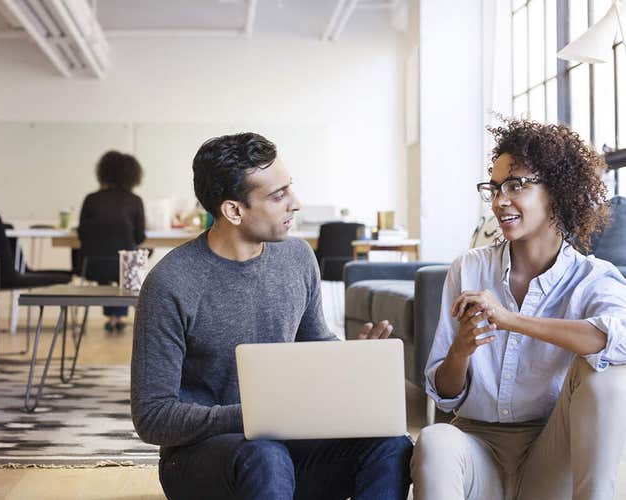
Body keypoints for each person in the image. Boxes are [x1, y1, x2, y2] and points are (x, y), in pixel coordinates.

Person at [131, 132, 413, 500]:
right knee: (265, 455)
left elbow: (314, 347)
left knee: (393, 445)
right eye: (278, 196)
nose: (295, 204)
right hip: (202, 459)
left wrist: (350, 361)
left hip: (285, 447)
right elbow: (153, 417)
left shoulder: (297, 258)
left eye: (289, 189)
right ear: (234, 210)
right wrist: (255, 415)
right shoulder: (170, 283)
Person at [410, 119, 626, 500]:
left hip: (551, 455)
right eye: (494, 189)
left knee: (606, 372)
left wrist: (510, 319)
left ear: (557, 193)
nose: (499, 201)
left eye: (515, 186)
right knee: (435, 439)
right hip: (478, 451)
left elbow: (617, 341)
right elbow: (443, 393)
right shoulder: (470, 268)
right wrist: (460, 351)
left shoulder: (594, 278)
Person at [78, 150, 146, 333]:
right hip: (127, 268)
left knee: (108, 262)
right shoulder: (134, 201)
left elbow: (82, 234)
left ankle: (113, 317)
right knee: (128, 261)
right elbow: (140, 237)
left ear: (103, 173)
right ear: (133, 175)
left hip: (93, 266)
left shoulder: (91, 199)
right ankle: (118, 317)